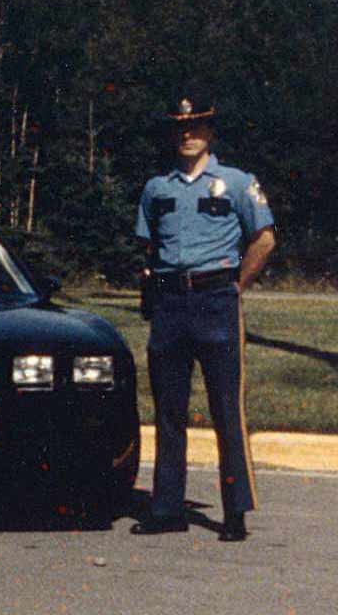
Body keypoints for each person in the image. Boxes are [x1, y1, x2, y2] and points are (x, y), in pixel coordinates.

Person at [130, 91, 276, 541]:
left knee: (226, 410)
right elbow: (147, 245)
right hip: (171, 305)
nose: (188, 133)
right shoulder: (158, 188)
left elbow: (264, 239)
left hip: (217, 302)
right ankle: (168, 507)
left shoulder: (235, 183)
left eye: (196, 126)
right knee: (168, 412)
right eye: (179, 126)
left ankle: (235, 511)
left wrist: (237, 285)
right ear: (172, 133)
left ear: (210, 132)